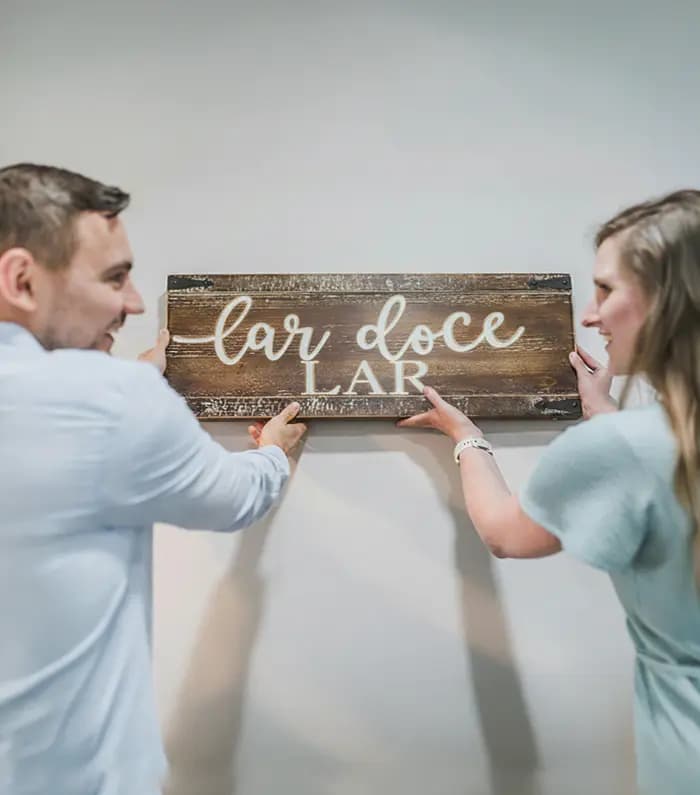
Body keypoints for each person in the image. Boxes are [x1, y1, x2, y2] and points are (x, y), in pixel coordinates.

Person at [0, 163, 306, 794]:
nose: (135, 302)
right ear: (22, 279)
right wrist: (274, 452)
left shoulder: (112, 399)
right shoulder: (115, 401)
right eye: (115, 278)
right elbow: (234, 497)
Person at [399, 189, 700, 795]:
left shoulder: (623, 450)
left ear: (666, 299)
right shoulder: (634, 443)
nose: (589, 315)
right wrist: (607, 413)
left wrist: (466, 435)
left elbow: (507, 535)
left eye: (607, 290)